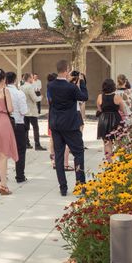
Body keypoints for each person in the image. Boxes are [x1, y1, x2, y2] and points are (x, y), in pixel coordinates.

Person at [47, 60, 88, 196]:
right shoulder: (71, 87)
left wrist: (70, 81)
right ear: (66, 70)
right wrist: (81, 83)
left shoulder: (50, 85)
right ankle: (80, 184)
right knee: (78, 153)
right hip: (70, 124)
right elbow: (84, 97)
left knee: (58, 156)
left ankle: (63, 187)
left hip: (57, 124)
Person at [6, 72, 29, 183]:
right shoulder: (19, 93)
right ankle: (20, 176)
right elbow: (24, 111)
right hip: (18, 124)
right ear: (15, 80)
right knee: (20, 150)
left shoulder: (1, 93)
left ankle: (1, 176)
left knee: (2, 150)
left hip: (4, 124)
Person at [97, 78, 124, 161]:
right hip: (115, 119)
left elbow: (99, 109)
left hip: (103, 120)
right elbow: (122, 109)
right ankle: (121, 161)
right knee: (119, 142)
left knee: (107, 143)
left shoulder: (100, 96)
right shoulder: (117, 97)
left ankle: (109, 164)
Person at [21, 73, 45, 150]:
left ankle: (26, 143)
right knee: (35, 128)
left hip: (25, 110)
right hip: (32, 110)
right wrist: (40, 97)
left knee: (26, 128)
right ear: (28, 78)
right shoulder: (30, 87)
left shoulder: (21, 87)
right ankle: (37, 145)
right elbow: (34, 99)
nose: (32, 79)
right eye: (31, 78)